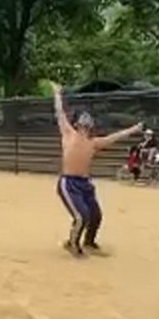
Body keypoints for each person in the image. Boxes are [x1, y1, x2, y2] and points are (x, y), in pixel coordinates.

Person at [52, 83, 143, 257]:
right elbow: (60, 113)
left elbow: (115, 137)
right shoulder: (68, 134)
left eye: (88, 122)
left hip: (84, 183)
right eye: (82, 121)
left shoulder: (93, 143)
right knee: (81, 217)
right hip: (69, 183)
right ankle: (72, 244)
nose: (85, 124)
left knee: (96, 215)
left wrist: (134, 129)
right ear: (77, 124)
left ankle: (89, 242)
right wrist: (57, 94)